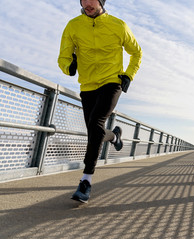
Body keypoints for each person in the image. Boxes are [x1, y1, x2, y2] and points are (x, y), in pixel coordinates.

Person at [58, 0, 142, 203]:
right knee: (94, 130)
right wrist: (69, 66)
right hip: (87, 86)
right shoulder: (73, 25)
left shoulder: (118, 25)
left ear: (101, 1)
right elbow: (63, 56)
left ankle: (85, 181)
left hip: (112, 82)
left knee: (95, 123)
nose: (87, 3)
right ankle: (114, 136)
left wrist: (128, 75)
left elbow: (136, 52)